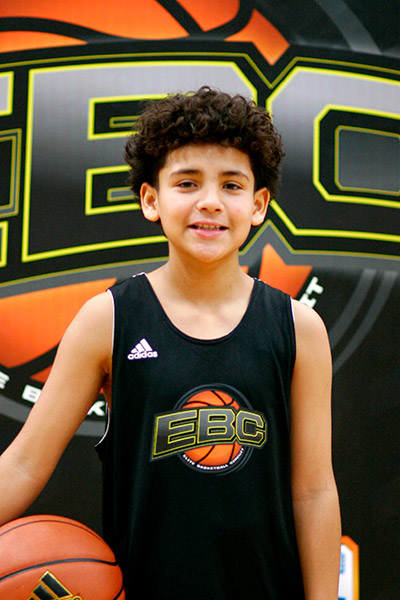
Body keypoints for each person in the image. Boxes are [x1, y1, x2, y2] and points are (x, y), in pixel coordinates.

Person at [0, 87, 341, 599]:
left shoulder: (299, 328)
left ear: (258, 205)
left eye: (231, 184)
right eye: (187, 182)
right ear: (151, 199)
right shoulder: (109, 319)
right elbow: (24, 464)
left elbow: (313, 492)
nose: (210, 201)